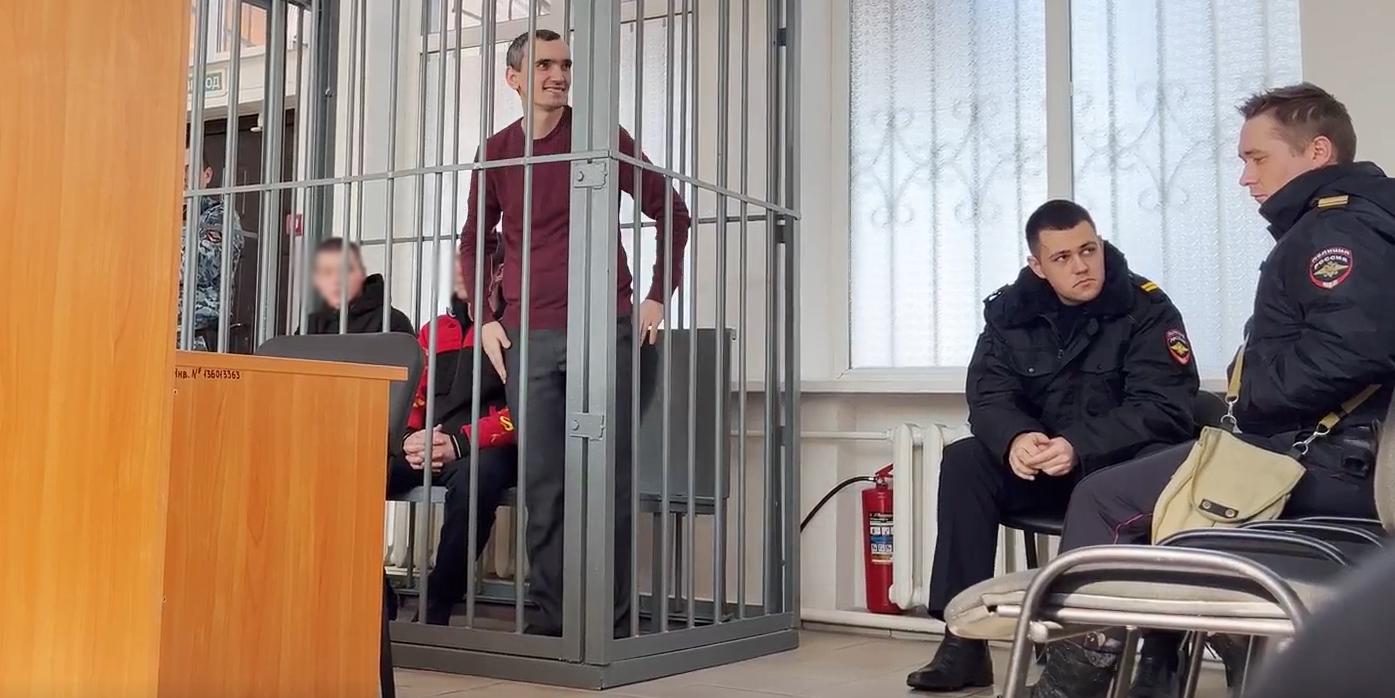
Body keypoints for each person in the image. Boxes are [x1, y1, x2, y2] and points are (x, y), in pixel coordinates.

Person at [1027, 83, 1395, 698]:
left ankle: (1069, 687)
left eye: (1257, 158)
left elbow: (1354, 349)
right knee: (1170, 480)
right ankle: (1158, 673)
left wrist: (1250, 402)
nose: (1246, 177)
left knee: (1104, 499)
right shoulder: (1364, 218)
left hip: (1325, 465)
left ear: (1317, 151)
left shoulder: (1338, 230)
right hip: (1348, 456)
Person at [906, 200, 1200, 693]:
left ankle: (1159, 653)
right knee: (965, 460)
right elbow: (989, 396)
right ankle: (962, 643)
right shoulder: (1010, 314)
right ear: (1038, 266)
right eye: (1062, 258)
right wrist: (1016, 438)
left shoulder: (1146, 308)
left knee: (1161, 468)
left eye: (1088, 250)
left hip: (1117, 473)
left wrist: (1079, 445)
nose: (1081, 266)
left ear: (1100, 244)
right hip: (1044, 470)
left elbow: (1166, 409)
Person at [458, 29, 691, 637]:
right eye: (543, 65)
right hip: (527, 335)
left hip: (605, 328)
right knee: (543, 484)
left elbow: (673, 210)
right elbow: (474, 241)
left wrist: (657, 294)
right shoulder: (497, 152)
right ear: (514, 78)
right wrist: (486, 317)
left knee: (609, 482)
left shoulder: (600, 137)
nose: (558, 75)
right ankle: (554, 626)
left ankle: (609, 630)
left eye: (565, 64)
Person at [387, 260, 518, 625]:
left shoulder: (517, 330)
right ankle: (377, 595)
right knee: (359, 469)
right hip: (429, 444)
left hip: (487, 448)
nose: (461, 271)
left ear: (500, 271)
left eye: (472, 263)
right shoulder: (433, 331)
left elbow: (526, 409)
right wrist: (410, 439)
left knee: (477, 481)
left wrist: (459, 444)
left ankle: (437, 604)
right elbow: (413, 396)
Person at [177, 144, 245, 351]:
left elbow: (197, 268)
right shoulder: (159, 214)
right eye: (176, 169)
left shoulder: (219, 215)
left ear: (207, 175)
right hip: (153, 325)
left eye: (189, 169)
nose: (182, 176)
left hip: (195, 334)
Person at [305, 237, 415, 336]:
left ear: (362, 273)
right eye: (327, 272)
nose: (336, 280)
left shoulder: (392, 322)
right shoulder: (312, 324)